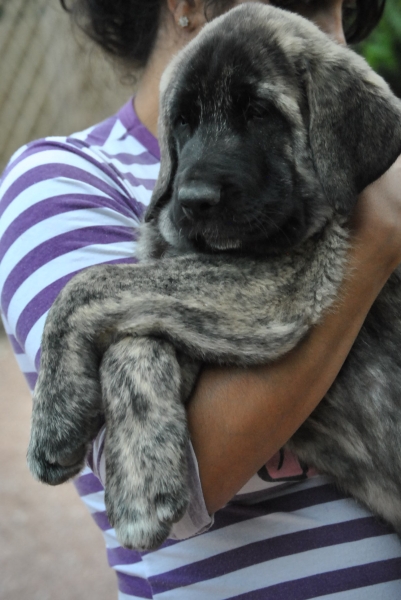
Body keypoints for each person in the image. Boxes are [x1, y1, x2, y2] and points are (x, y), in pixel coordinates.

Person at [1, 0, 401, 597]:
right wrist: (377, 236)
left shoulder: (342, 136)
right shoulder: (69, 180)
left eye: (261, 114)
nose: (201, 182)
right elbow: (173, 480)